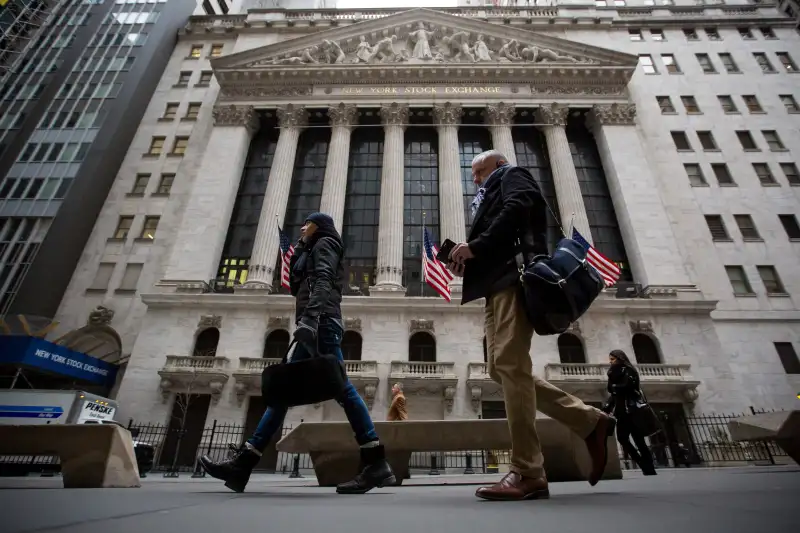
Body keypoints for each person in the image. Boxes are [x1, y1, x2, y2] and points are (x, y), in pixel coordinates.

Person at [447, 149, 616, 501]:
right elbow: (498, 231)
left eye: (478, 172)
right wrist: (468, 259)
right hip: (494, 287)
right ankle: (589, 421)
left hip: (514, 279)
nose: (475, 180)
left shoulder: (513, 175)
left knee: (510, 365)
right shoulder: (491, 191)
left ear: (496, 164)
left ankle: (528, 470)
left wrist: (475, 247)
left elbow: (519, 208)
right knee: (500, 368)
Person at [199, 212, 396, 494]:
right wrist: (302, 251)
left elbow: (325, 279)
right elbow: (299, 283)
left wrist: (311, 319)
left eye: (308, 223)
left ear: (319, 226)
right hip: (313, 321)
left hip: (321, 322)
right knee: (282, 393)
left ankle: (376, 461)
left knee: (343, 390)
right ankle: (244, 463)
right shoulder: (311, 247)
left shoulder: (325, 243)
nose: (302, 227)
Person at [603, 349, 657, 476]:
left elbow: (627, 387)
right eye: (610, 359)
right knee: (622, 438)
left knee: (639, 440)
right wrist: (608, 407)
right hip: (621, 411)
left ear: (620, 358)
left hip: (633, 410)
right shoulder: (612, 373)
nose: (610, 362)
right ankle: (641, 462)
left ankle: (649, 467)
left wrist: (615, 385)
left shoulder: (629, 370)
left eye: (612, 359)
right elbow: (612, 392)